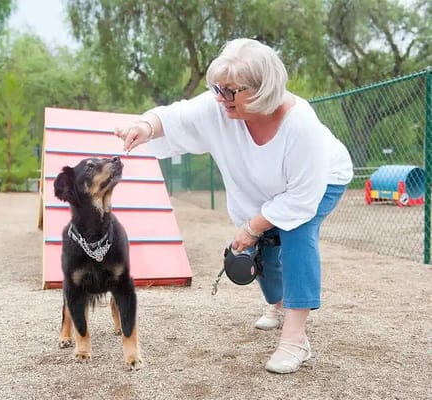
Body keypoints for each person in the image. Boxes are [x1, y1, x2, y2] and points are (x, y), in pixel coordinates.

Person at [114, 38, 353, 374]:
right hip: (265, 186)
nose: (220, 98)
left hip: (319, 181)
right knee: (263, 251)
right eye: (216, 88)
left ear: (262, 89)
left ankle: (296, 339)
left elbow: (300, 198)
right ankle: (279, 304)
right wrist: (144, 126)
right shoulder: (219, 106)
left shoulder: (302, 126)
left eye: (230, 91)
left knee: (296, 234)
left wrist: (252, 226)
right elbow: (175, 116)